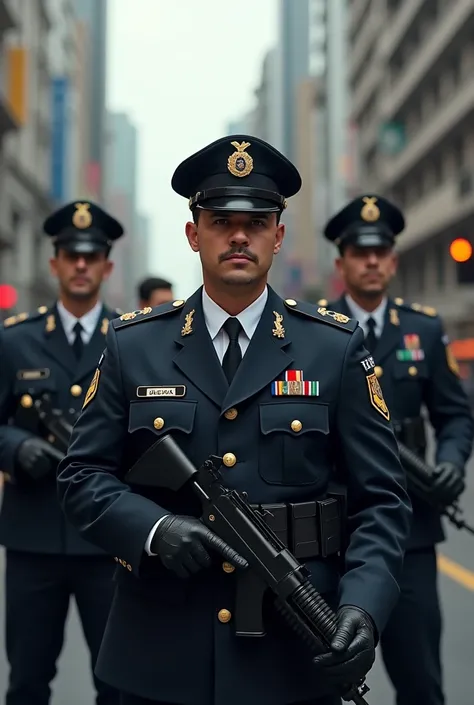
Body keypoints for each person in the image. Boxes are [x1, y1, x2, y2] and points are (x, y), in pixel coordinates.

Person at [57, 136, 412, 705]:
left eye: (257, 220)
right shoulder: (133, 345)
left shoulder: (334, 348)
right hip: (160, 652)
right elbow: (81, 478)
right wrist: (154, 529)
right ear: (194, 234)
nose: (240, 235)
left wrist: (361, 606)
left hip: (292, 652)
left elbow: (383, 501)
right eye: (221, 220)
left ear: (278, 233)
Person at [322, 194, 474, 705]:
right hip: (329, 536)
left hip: (409, 535)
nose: (370, 261)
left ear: (393, 260)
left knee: (421, 683)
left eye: (380, 251)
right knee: (317, 683)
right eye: (358, 252)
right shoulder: (314, 332)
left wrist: (451, 462)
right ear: (341, 263)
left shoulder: (424, 330)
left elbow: (454, 415)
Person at [0, 200, 125, 705]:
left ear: (106, 266)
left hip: (107, 542)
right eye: (70, 255)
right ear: (53, 263)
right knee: (27, 683)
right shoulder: (14, 341)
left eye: (90, 256)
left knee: (116, 685)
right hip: (33, 540)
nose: (80, 265)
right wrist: (15, 445)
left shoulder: (130, 338)